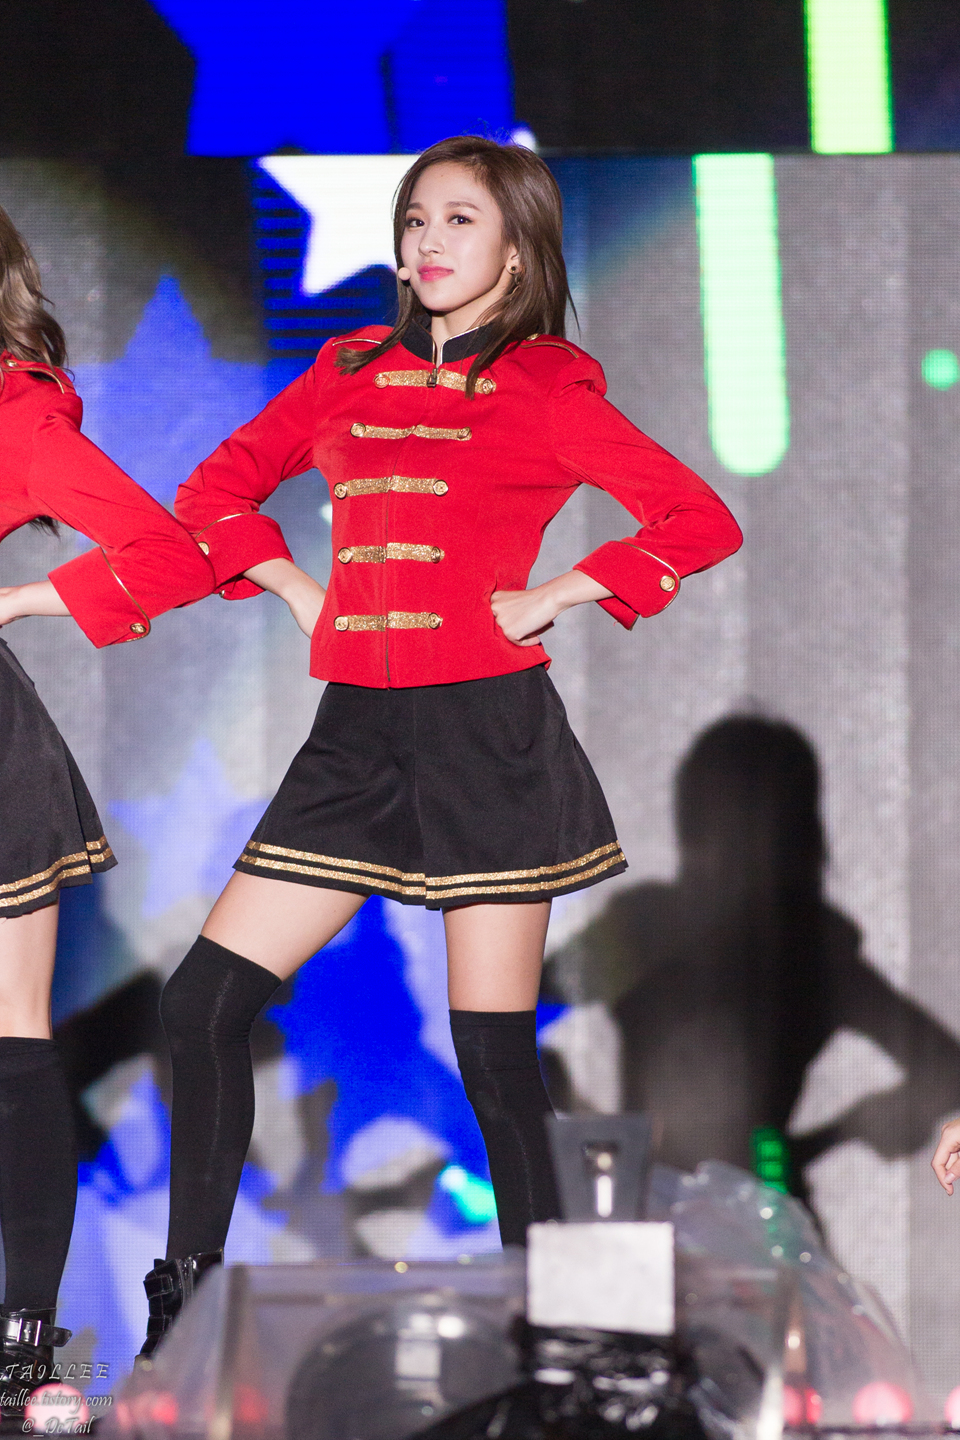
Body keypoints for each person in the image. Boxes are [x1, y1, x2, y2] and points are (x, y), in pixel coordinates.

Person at [138, 135, 742, 1355]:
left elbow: (699, 518)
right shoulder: (348, 369)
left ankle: (564, 1337)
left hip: (487, 740)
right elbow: (215, 492)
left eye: (460, 219)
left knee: (494, 1058)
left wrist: (560, 590)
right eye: (416, 218)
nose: (427, 240)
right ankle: (183, 1317)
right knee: (200, 1005)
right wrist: (296, 589)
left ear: (516, 250)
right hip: (354, 737)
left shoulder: (549, 387)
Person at [0, 204, 214, 1408]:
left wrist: (19, 601)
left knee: (11, 1037)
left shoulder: (19, 416)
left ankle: (22, 1345)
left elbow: (170, 554)